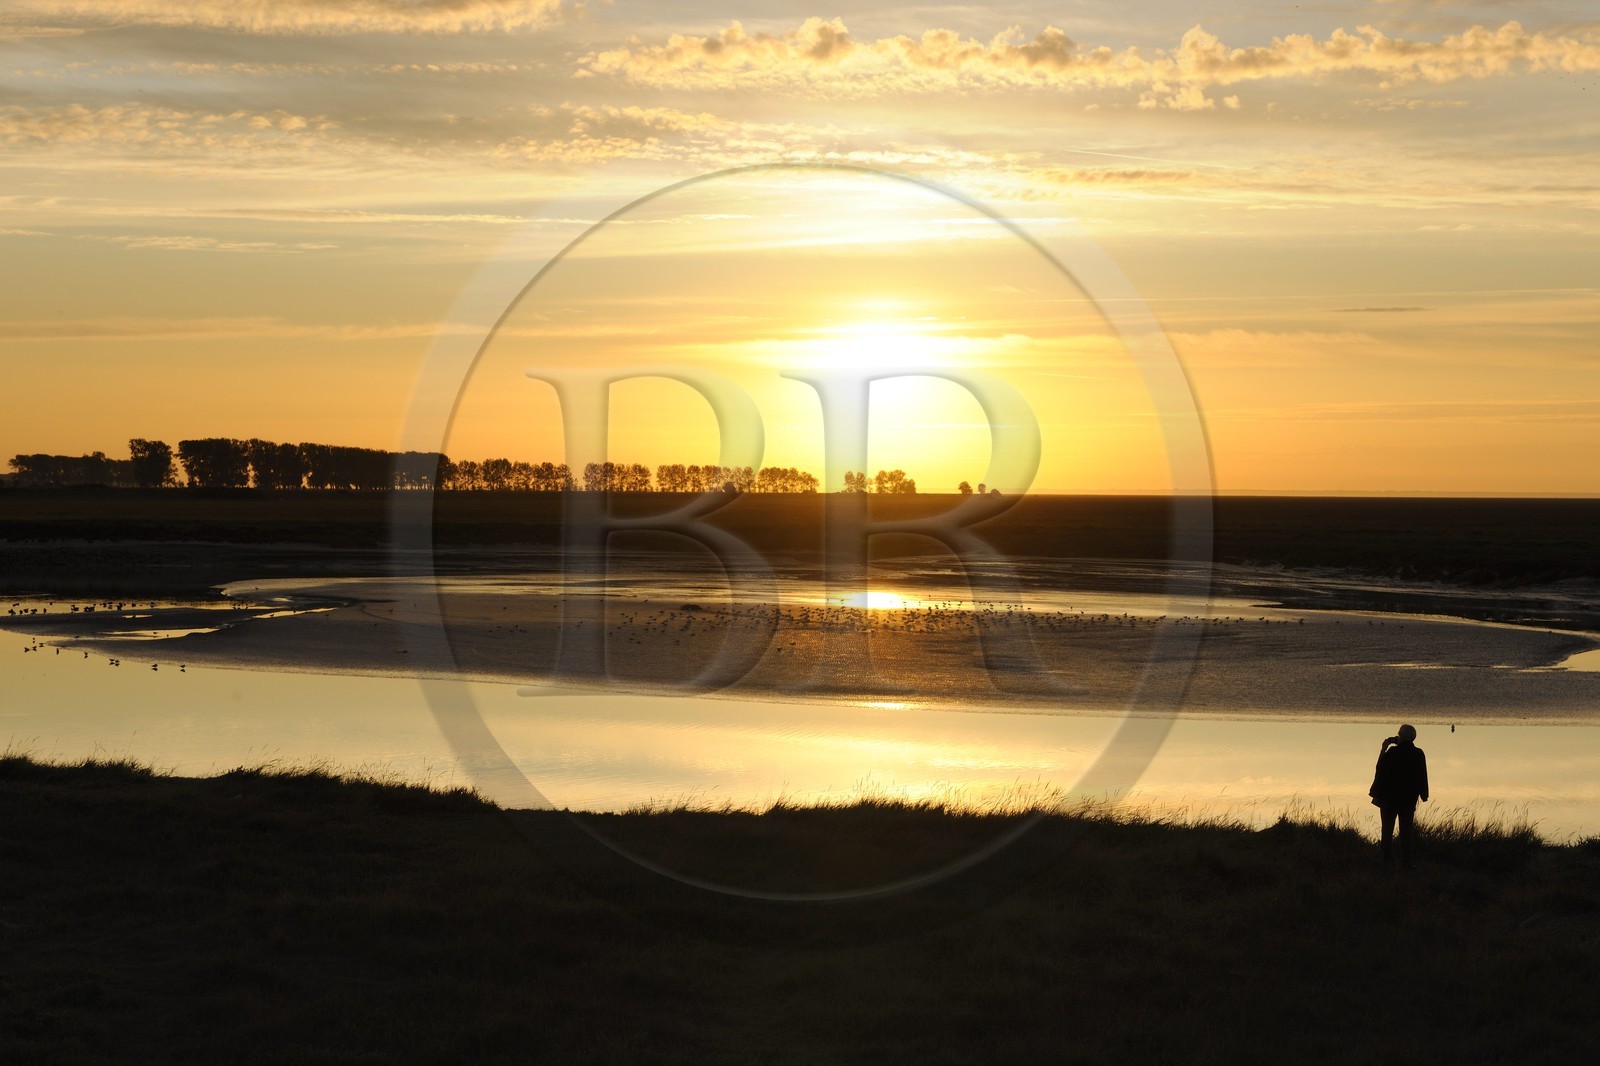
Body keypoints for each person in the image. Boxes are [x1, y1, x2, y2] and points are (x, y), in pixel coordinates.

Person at [1369, 724, 1429, 867]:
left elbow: (1380, 768)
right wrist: (1424, 794)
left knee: (1387, 830)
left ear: (1400, 737)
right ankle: (1407, 863)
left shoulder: (1392, 753)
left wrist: (1384, 748)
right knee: (1406, 832)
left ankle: (1386, 860)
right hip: (1408, 799)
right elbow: (1423, 775)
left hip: (1389, 799)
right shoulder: (1418, 753)